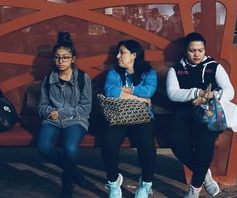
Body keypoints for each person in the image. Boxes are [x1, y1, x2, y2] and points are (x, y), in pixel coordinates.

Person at [166, 32, 234, 198]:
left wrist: (215, 95)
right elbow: (172, 93)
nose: (196, 54)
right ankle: (204, 174)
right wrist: (197, 92)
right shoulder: (176, 70)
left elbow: (230, 91)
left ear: (205, 50)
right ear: (185, 50)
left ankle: (195, 188)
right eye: (192, 50)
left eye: (200, 50)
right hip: (184, 114)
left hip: (209, 114)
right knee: (175, 140)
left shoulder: (214, 66)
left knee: (205, 141)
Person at [37, 32, 92, 198]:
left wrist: (61, 113)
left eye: (65, 57)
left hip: (76, 120)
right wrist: (49, 112)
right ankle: (75, 172)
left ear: (73, 59)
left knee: (70, 148)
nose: (61, 61)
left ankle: (67, 182)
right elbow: (41, 106)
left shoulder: (83, 78)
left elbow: (86, 107)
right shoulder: (48, 79)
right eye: (57, 57)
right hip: (52, 121)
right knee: (44, 147)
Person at [101, 40, 158, 198]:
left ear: (134, 55)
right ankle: (113, 182)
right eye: (118, 52)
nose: (118, 56)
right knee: (109, 142)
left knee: (146, 143)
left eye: (122, 52)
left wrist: (126, 89)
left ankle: (146, 184)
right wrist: (140, 99)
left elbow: (149, 90)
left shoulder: (149, 72)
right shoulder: (114, 72)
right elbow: (109, 91)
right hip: (118, 117)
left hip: (142, 117)